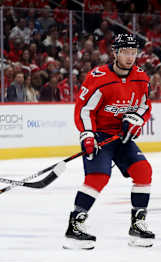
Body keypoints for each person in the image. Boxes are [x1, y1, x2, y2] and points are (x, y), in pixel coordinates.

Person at [64, 33, 155, 250]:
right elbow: (84, 110)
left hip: (121, 138)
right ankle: (74, 227)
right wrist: (87, 134)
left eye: (133, 52)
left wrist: (137, 119)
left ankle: (137, 224)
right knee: (98, 177)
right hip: (99, 136)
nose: (130, 57)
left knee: (143, 171)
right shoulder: (98, 77)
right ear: (115, 53)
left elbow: (145, 105)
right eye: (125, 52)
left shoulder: (141, 78)